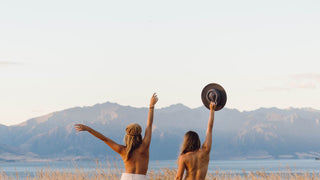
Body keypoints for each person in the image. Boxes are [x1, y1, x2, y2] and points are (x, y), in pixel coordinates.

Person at [74, 93, 158, 180]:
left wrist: (89, 129)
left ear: (127, 136)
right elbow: (149, 125)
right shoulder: (144, 147)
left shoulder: (123, 151)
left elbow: (104, 139)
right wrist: (151, 106)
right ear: (140, 135)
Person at [175, 101, 216, 180]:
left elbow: (178, 177)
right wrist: (212, 111)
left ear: (186, 142)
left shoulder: (183, 157)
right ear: (198, 141)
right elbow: (209, 129)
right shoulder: (205, 151)